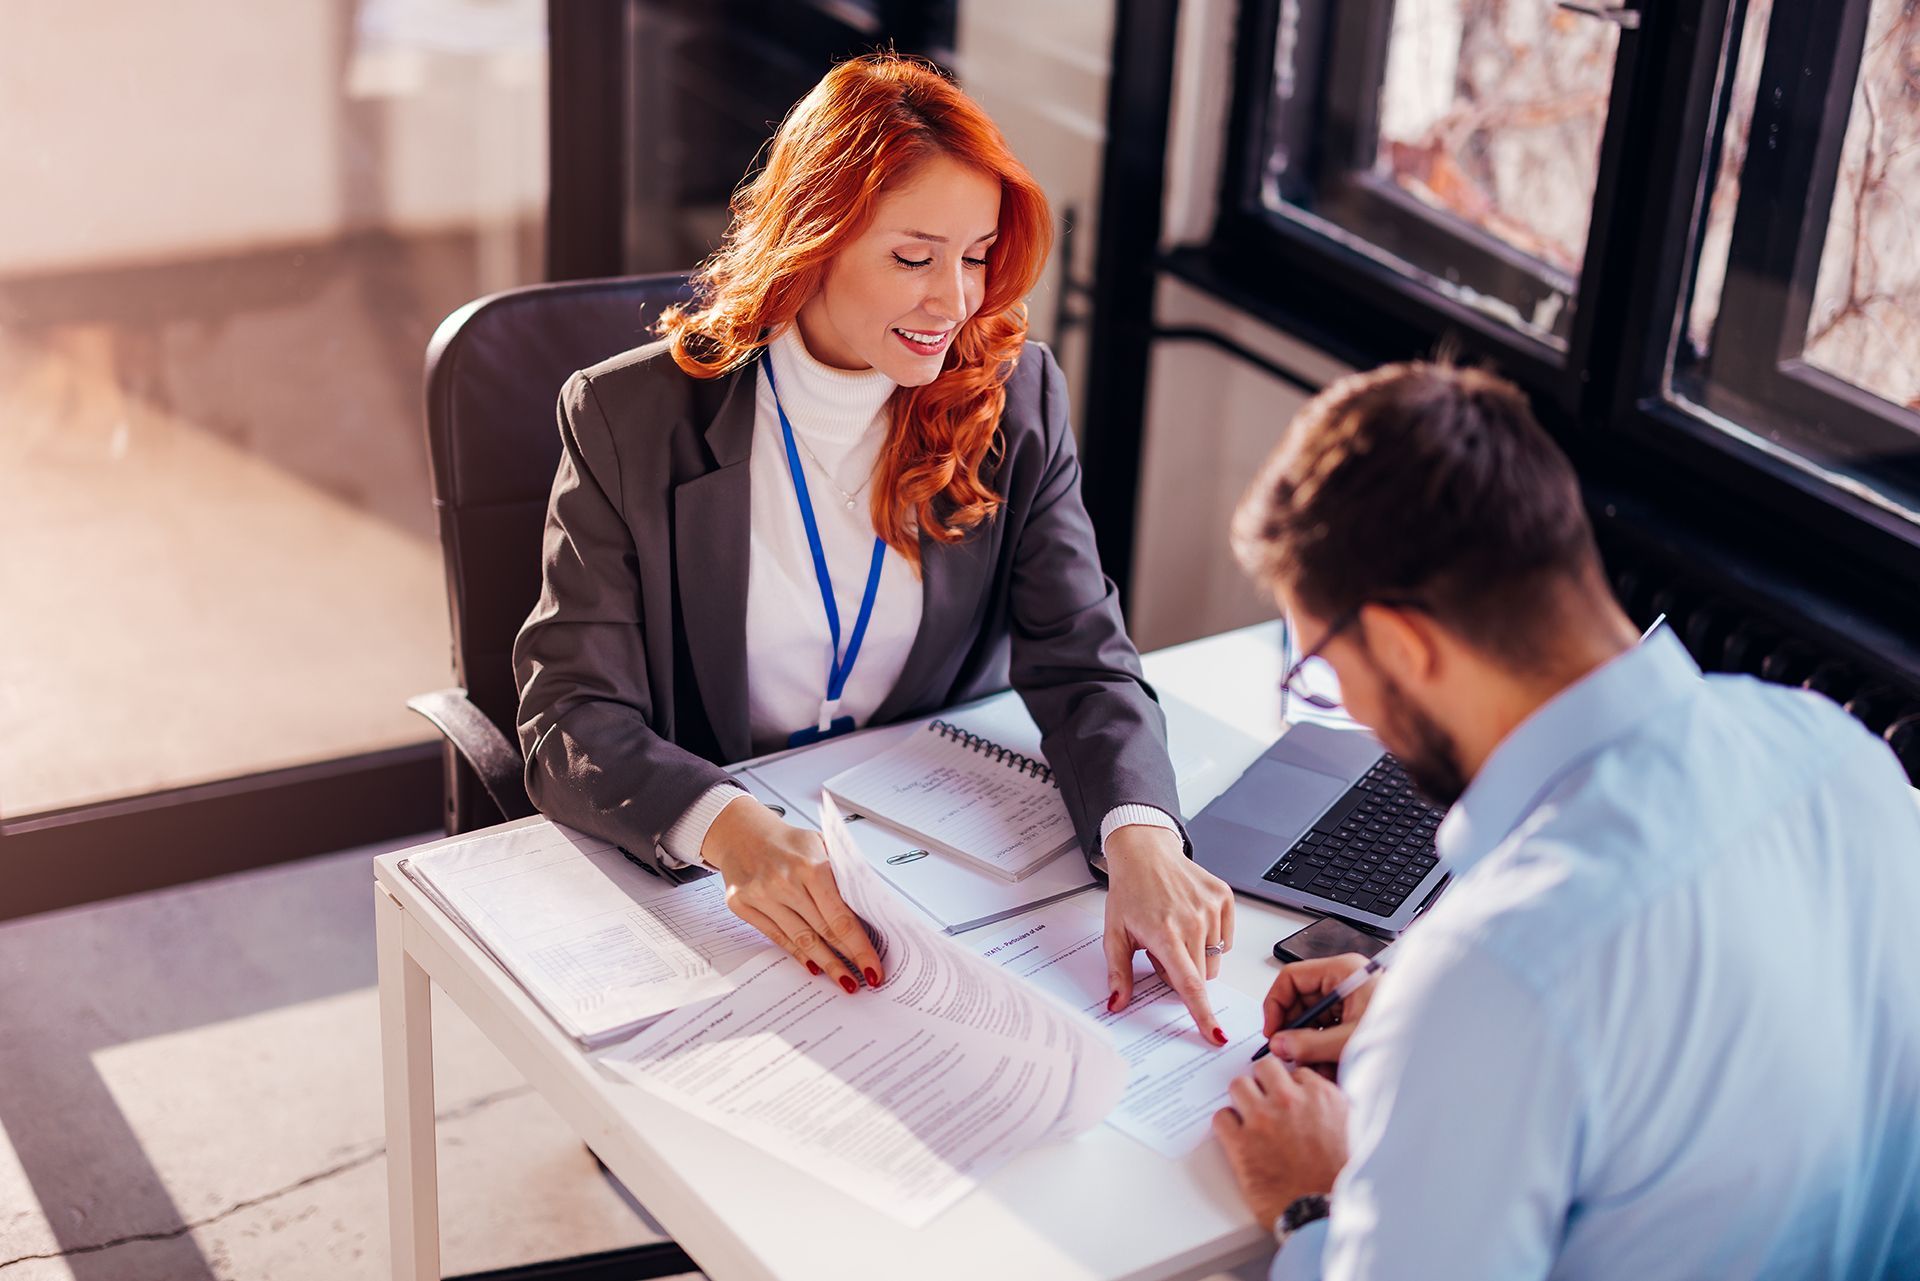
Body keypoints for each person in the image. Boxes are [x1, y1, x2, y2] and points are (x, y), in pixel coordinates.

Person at [513, 53, 1235, 1038]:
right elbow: (569, 718)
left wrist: (1143, 833)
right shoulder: (627, 420)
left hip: (930, 884)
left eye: (976, 254)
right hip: (723, 882)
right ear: (813, 240)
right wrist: (730, 830)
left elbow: (1083, 656)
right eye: (913, 257)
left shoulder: (1013, 398)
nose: (956, 301)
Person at [1212, 361, 1920, 1278]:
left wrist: (1317, 1202)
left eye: (1322, 669)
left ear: (1403, 644)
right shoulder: (1840, 757)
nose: (1340, 698)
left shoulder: (1496, 972)